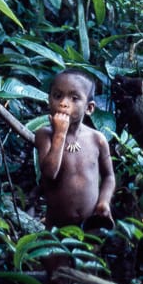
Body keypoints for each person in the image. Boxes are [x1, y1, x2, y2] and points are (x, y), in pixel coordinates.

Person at [35, 70, 115, 228]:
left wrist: (104, 202)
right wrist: (59, 135)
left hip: (90, 226)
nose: (63, 103)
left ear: (89, 108)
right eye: (57, 96)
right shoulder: (45, 135)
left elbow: (109, 176)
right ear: (49, 100)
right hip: (57, 228)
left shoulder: (97, 139)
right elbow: (49, 173)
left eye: (74, 98)